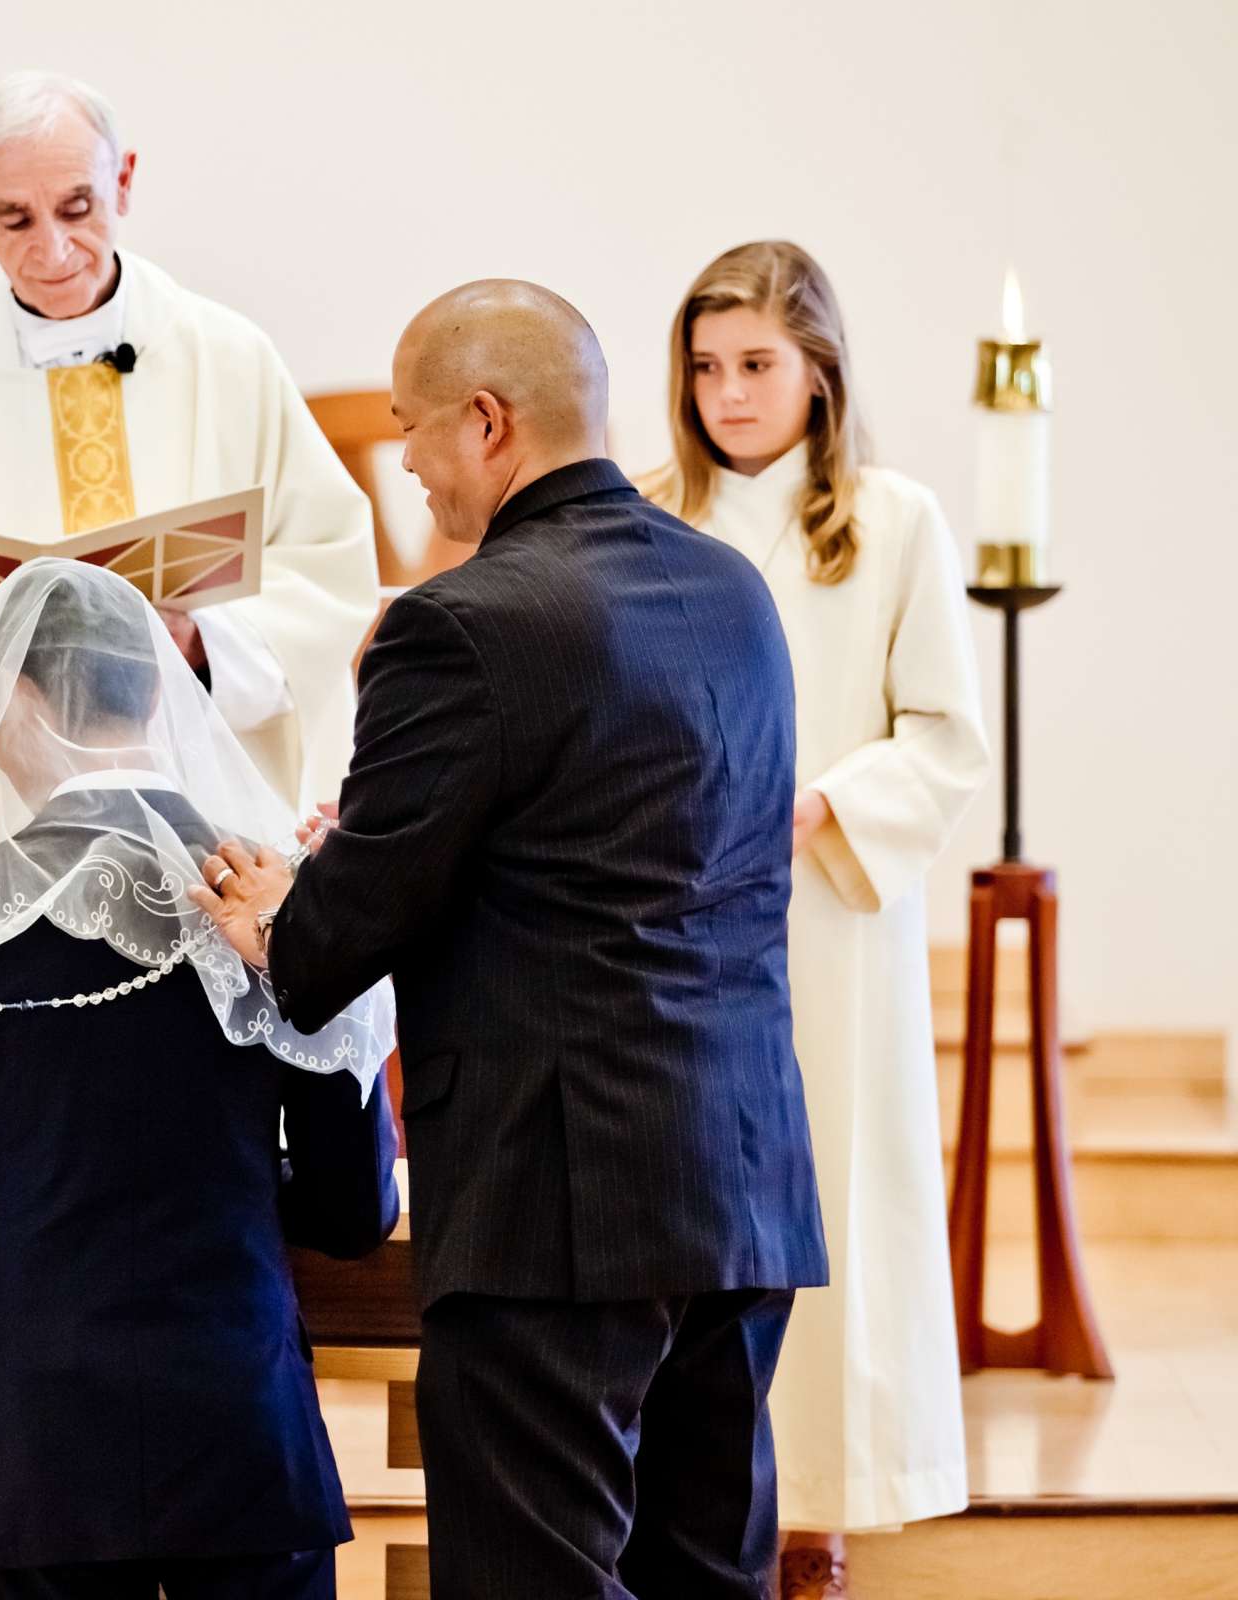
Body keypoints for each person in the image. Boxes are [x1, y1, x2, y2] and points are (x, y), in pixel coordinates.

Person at [193, 281, 828, 1600]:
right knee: (711, 1576)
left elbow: (329, 949)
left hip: (560, 1208)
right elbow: (616, 848)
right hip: (739, 1177)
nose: (410, 465)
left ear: (487, 422)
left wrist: (279, 908)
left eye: (416, 428)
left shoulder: (458, 623)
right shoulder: (733, 593)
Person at [0, 558, 398, 1600]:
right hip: (240, 1405)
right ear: (160, 688)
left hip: (42, 1429)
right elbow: (351, 1213)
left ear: (12, 701)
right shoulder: (270, 890)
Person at [642, 240, 988, 1600]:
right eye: (707, 366)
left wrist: (820, 808)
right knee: (692, 1207)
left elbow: (946, 737)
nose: (729, 394)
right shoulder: (651, 516)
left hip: (829, 912)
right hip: (668, 914)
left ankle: (816, 1509)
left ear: (819, 372)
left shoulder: (892, 522)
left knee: (830, 1190)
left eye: (758, 365)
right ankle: (688, 1492)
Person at [0, 70, 378, 821]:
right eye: (14, 218)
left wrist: (200, 643)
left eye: (76, 208)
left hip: (196, 795)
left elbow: (328, 575)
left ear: (122, 183)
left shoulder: (229, 359)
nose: (52, 248)